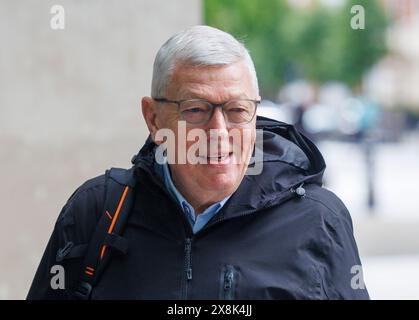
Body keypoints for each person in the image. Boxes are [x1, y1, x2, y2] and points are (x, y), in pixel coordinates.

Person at [27, 25, 369, 300]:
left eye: (237, 110)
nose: (218, 132)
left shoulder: (320, 220)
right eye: (195, 110)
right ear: (154, 117)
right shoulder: (96, 212)